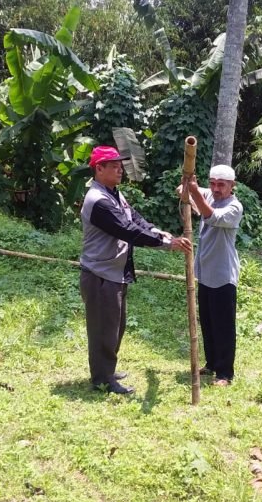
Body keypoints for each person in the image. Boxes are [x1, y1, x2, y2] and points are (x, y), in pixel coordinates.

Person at [80, 145, 191, 395]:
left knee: (115, 326)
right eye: (114, 166)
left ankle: (107, 370)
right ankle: (102, 379)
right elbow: (127, 230)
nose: (120, 170)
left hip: (113, 272)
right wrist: (166, 243)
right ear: (99, 169)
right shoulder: (98, 201)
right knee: (103, 329)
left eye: (120, 166)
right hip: (100, 274)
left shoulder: (114, 194)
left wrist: (157, 231)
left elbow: (135, 219)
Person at [186, 165, 243, 386]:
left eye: (221, 185)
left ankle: (225, 373)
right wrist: (187, 183)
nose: (216, 189)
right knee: (208, 322)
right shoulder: (209, 195)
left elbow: (211, 216)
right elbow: (183, 190)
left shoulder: (234, 207)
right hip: (205, 272)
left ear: (232, 186)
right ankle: (211, 363)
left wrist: (194, 192)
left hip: (222, 274)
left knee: (223, 326)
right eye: (212, 183)